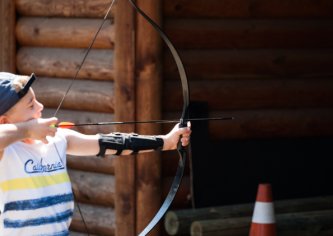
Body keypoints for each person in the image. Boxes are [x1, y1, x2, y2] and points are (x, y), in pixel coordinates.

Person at [0, 72, 191, 235]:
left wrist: (166, 141)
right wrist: (26, 130)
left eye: (36, 100)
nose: (40, 107)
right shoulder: (6, 152)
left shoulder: (58, 139)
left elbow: (109, 143)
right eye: (31, 105)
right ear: (5, 122)